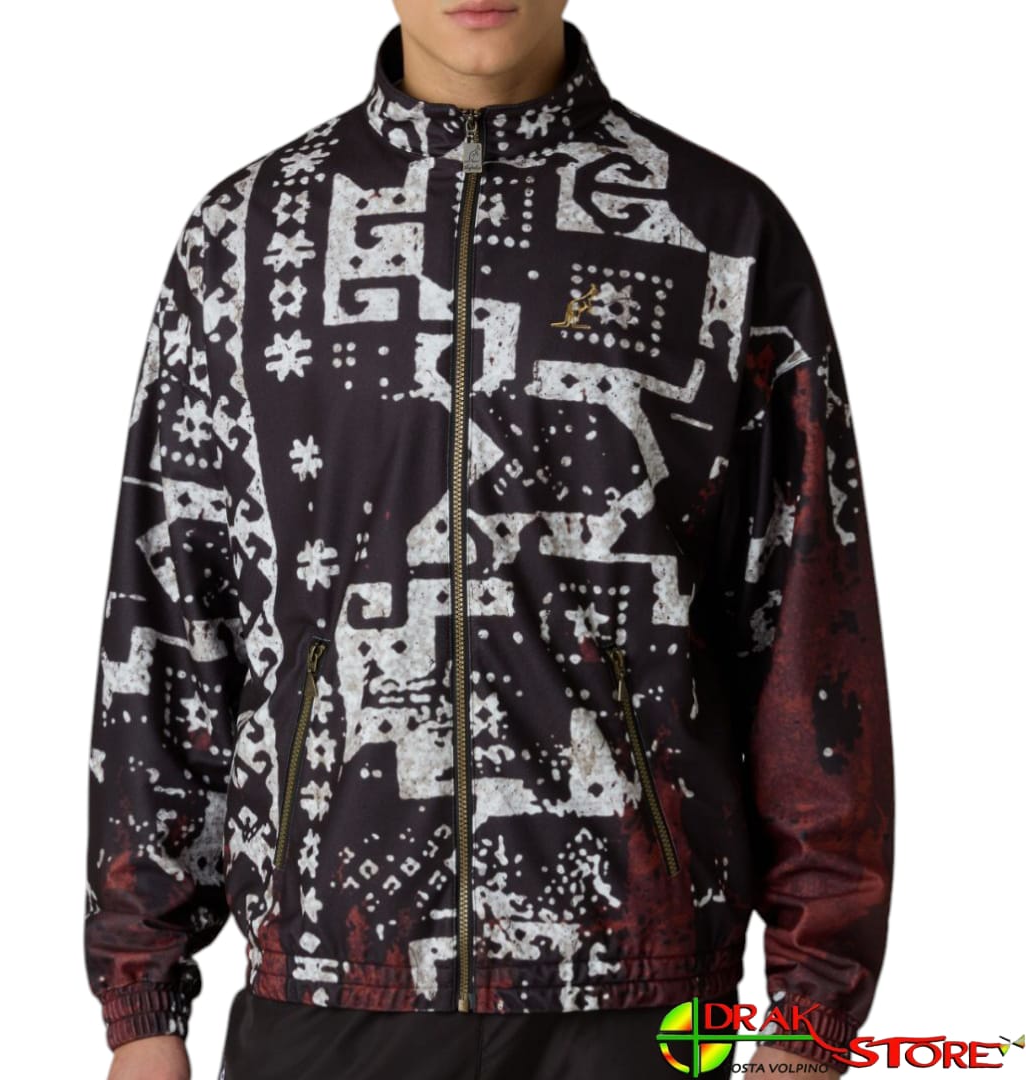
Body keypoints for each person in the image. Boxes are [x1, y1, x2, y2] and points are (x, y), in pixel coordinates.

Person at [84, 2, 895, 1078]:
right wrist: (142, 998)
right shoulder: (245, 237)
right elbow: (168, 609)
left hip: (640, 990)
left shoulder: (718, 229)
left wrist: (810, 1019)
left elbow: (808, 626)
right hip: (328, 981)